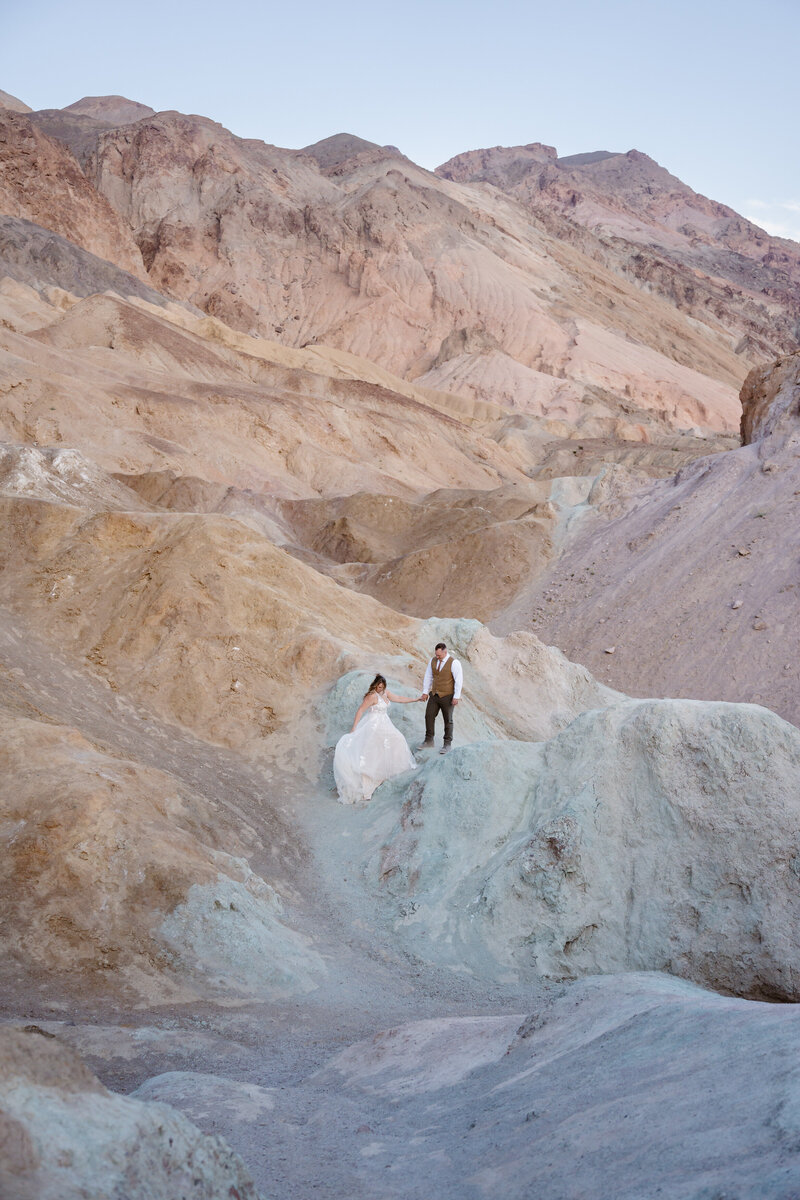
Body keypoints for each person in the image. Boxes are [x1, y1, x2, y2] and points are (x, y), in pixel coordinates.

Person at [333, 674, 423, 804]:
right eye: (378, 686)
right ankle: (368, 779)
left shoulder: (386, 693)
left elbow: (398, 698)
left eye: (382, 686)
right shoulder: (372, 696)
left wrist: (415, 699)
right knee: (373, 749)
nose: (380, 688)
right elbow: (360, 710)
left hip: (385, 723)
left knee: (398, 740)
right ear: (375, 685)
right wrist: (354, 728)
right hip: (373, 724)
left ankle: (389, 772)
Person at [418, 641, 463, 755]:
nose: (437, 657)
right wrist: (425, 692)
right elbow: (428, 676)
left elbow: (459, 680)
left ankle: (447, 744)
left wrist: (456, 696)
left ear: (445, 651)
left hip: (448, 696)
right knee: (429, 715)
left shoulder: (454, 663)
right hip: (434, 694)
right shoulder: (432, 661)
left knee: (448, 720)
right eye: (436, 654)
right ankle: (429, 740)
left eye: (439, 655)